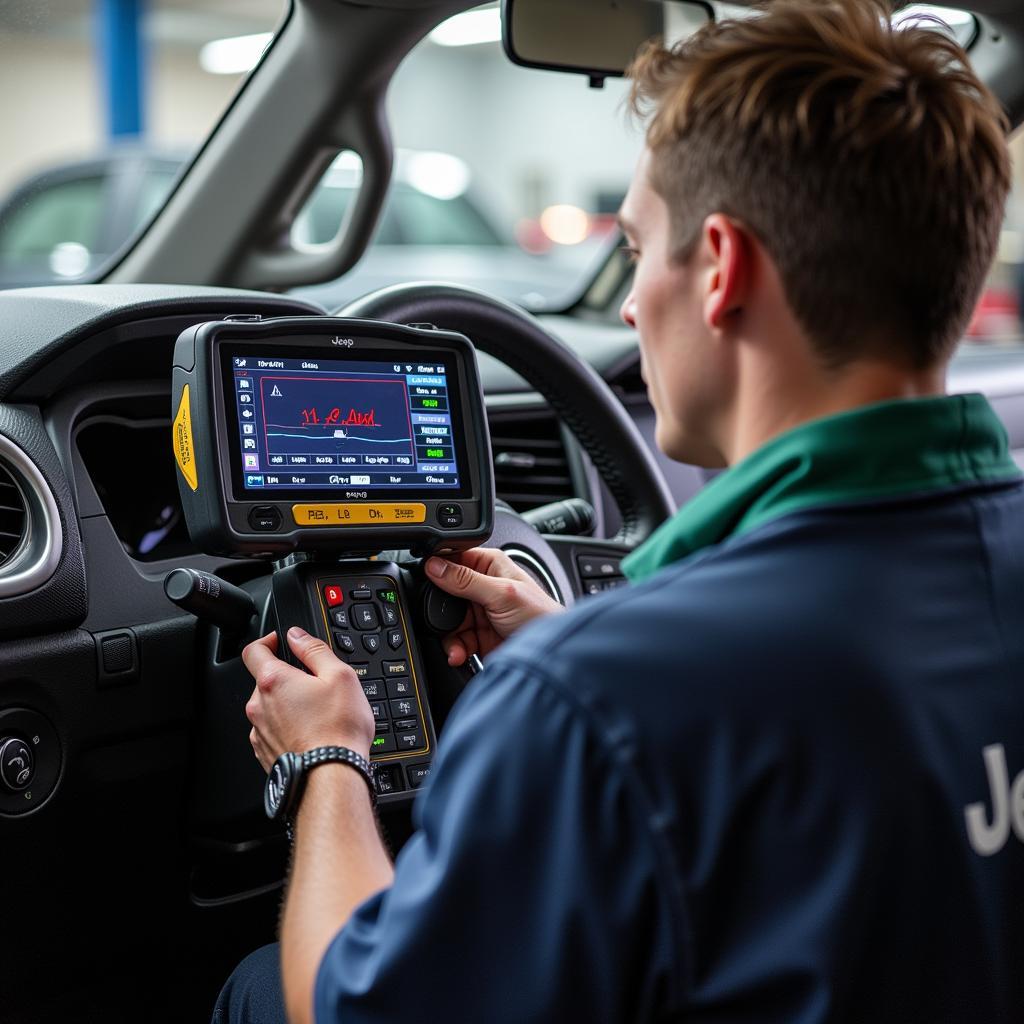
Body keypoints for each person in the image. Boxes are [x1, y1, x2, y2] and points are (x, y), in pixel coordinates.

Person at [214, 1, 1024, 1021]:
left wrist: (325, 758)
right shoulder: (608, 698)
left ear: (720, 268)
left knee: (256, 984)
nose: (632, 305)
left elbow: (351, 1004)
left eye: (637, 250)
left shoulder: (596, 704)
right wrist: (571, 663)